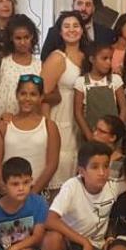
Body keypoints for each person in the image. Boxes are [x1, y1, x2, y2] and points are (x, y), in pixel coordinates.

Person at [39, 142, 121, 250]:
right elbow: (50, 219)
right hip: (70, 244)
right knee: (51, 239)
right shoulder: (72, 186)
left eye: (106, 166)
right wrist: (84, 243)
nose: (102, 172)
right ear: (81, 171)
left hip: (96, 246)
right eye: (94, 167)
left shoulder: (113, 186)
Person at [41, 11, 90, 191]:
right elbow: (43, 96)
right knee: (62, 163)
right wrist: (47, 127)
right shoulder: (57, 57)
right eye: (66, 26)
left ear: (82, 30)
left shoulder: (87, 57)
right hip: (61, 117)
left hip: (81, 119)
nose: (72, 30)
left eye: (76, 26)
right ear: (60, 32)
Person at [0, 75, 60, 197]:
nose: (27, 98)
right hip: (7, 193)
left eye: (33, 94)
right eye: (23, 93)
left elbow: (52, 164)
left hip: (37, 192)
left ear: (41, 97)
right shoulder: (4, 125)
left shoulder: (49, 126)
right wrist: (4, 188)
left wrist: (32, 194)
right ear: (17, 95)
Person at [41, 0, 116, 61]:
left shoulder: (107, 33)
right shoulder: (55, 32)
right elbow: (44, 58)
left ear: (93, 8)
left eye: (88, 5)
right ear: (73, 6)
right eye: (79, 4)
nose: (83, 8)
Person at [0, 14, 42, 120]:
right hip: (4, 118)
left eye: (26, 37)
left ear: (32, 37)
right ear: (11, 38)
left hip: (28, 119)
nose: (22, 42)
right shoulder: (3, 61)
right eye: (18, 38)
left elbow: (49, 95)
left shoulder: (39, 65)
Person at [74, 40, 123, 141]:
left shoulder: (115, 80)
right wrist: (89, 136)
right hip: (91, 135)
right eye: (104, 59)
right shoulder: (81, 82)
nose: (108, 63)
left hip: (112, 138)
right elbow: (78, 112)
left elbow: (124, 108)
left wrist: (118, 132)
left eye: (110, 58)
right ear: (92, 59)